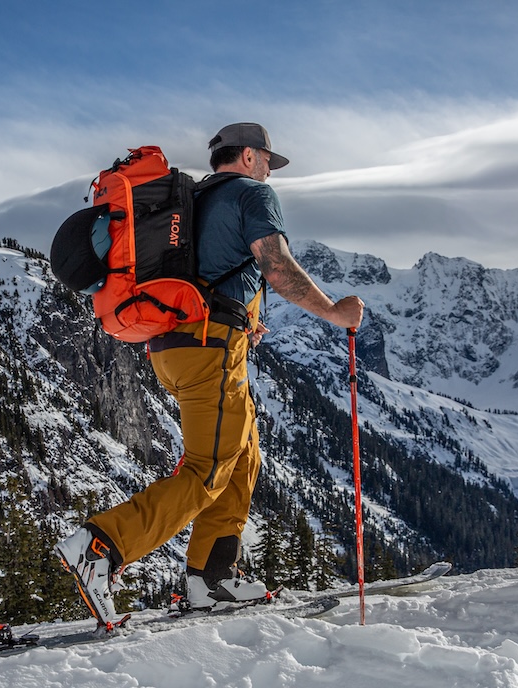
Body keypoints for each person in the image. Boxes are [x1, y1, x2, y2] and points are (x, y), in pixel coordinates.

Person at [55, 122, 366, 628]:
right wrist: (334, 312)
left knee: (243, 456)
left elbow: (201, 274)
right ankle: (101, 545)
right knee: (209, 466)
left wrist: (241, 316)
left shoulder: (191, 201)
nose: (270, 168)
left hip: (178, 347)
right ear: (246, 156)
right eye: (267, 158)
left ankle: (212, 576)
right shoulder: (252, 194)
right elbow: (276, 265)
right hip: (208, 349)